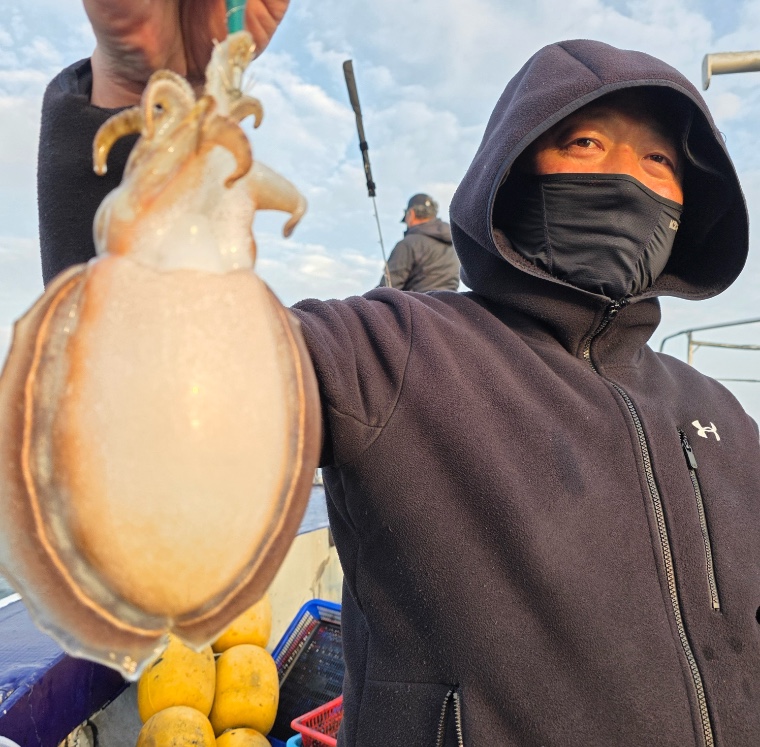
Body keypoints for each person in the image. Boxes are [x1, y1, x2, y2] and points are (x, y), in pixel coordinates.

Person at [36, 2, 760, 743]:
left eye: (659, 161)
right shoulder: (392, 350)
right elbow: (151, 385)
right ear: (514, 171)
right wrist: (139, 98)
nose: (625, 177)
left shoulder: (726, 419)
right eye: (585, 142)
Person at [377, 193, 460, 291]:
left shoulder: (407, 244)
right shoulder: (453, 244)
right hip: (450, 300)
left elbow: (387, 289)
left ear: (411, 214)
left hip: (417, 300)